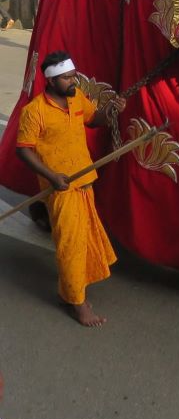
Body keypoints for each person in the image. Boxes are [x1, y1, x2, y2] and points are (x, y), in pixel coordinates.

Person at [15, 51, 126, 326]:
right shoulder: (35, 111)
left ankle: (71, 291)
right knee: (70, 245)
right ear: (51, 81)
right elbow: (23, 151)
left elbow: (93, 119)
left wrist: (110, 111)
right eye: (66, 78)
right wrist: (52, 176)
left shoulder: (77, 98)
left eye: (73, 75)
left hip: (84, 180)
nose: (72, 80)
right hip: (60, 188)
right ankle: (78, 304)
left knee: (82, 242)